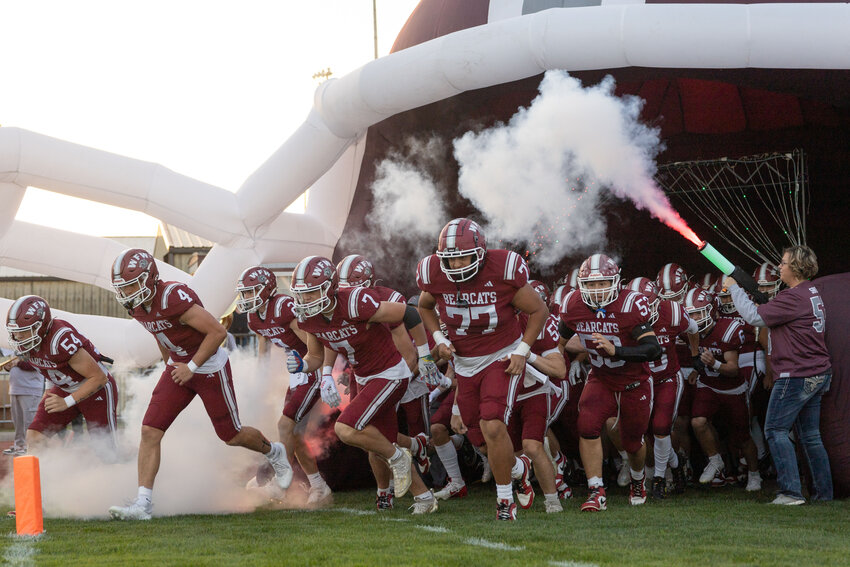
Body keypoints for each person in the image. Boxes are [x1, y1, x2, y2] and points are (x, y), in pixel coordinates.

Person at [107, 249, 293, 521]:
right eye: (123, 288)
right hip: (180, 366)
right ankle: (143, 504)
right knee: (150, 430)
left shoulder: (172, 296)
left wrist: (191, 367)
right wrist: (168, 363)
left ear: (150, 279)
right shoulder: (137, 305)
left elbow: (218, 332)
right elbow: (161, 333)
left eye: (132, 285)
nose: (128, 293)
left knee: (231, 434)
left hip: (208, 368)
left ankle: (274, 452)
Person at [416, 218, 549, 521]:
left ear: (481, 252)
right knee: (477, 434)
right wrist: (438, 338)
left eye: (463, 256)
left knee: (492, 425)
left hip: (500, 356)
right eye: (450, 258)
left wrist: (522, 350)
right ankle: (520, 467)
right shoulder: (434, 273)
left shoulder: (502, 269)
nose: (457, 264)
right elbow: (424, 306)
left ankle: (505, 501)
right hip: (464, 362)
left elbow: (539, 309)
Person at [288, 255, 441, 515]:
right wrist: (304, 366)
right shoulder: (308, 319)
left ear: (328, 288)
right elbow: (314, 355)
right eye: (301, 295)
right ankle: (425, 497)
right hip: (363, 376)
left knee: (346, 429)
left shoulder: (355, 302)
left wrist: (425, 355)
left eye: (311, 294)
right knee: (380, 440)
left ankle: (398, 457)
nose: (305, 301)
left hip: (390, 373)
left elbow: (410, 313)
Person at [725, 245, 832, 505]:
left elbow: (753, 316)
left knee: (774, 429)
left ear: (795, 268)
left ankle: (790, 492)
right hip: (818, 371)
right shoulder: (810, 291)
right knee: (810, 435)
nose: (779, 267)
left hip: (796, 374)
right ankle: (823, 493)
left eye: (783, 263)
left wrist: (734, 288)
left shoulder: (792, 298)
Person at [559, 254, 662, 512]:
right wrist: (562, 360)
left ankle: (638, 481)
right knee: (587, 426)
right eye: (591, 285)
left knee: (632, 442)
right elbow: (561, 339)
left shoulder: (631, 304)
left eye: (602, 283)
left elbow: (653, 350)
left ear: (616, 282)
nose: (596, 290)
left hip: (633, 382)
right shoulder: (573, 305)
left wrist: (617, 352)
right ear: (581, 285)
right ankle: (596, 491)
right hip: (601, 378)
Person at [236, 265, 333, 507]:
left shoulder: (283, 307)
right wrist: (260, 377)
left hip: (311, 369)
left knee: (285, 425)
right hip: (297, 375)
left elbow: (315, 344)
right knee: (296, 436)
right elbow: (263, 346)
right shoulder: (254, 317)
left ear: (265, 290)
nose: (246, 298)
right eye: (244, 293)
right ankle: (319, 486)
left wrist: (325, 374)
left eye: (250, 292)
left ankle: (279, 481)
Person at [5, 295, 118, 453]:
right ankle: (48, 475)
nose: (18, 338)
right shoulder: (30, 342)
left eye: (23, 332)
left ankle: (132, 462)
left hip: (95, 388)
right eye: (15, 333)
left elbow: (99, 377)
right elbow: (50, 366)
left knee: (106, 452)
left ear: (41, 326)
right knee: (35, 437)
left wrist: (68, 402)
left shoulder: (60, 339)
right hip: (64, 388)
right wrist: (48, 390)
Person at [1, 348, 45, 455]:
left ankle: (30, 446)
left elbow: (37, 365)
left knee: (30, 421)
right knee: (18, 421)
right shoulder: (14, 347)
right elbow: (14, 365)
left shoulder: (36, 347)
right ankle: (19, 445)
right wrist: (8, 367)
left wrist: (18, 363)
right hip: (15, 389)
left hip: (30, 389)